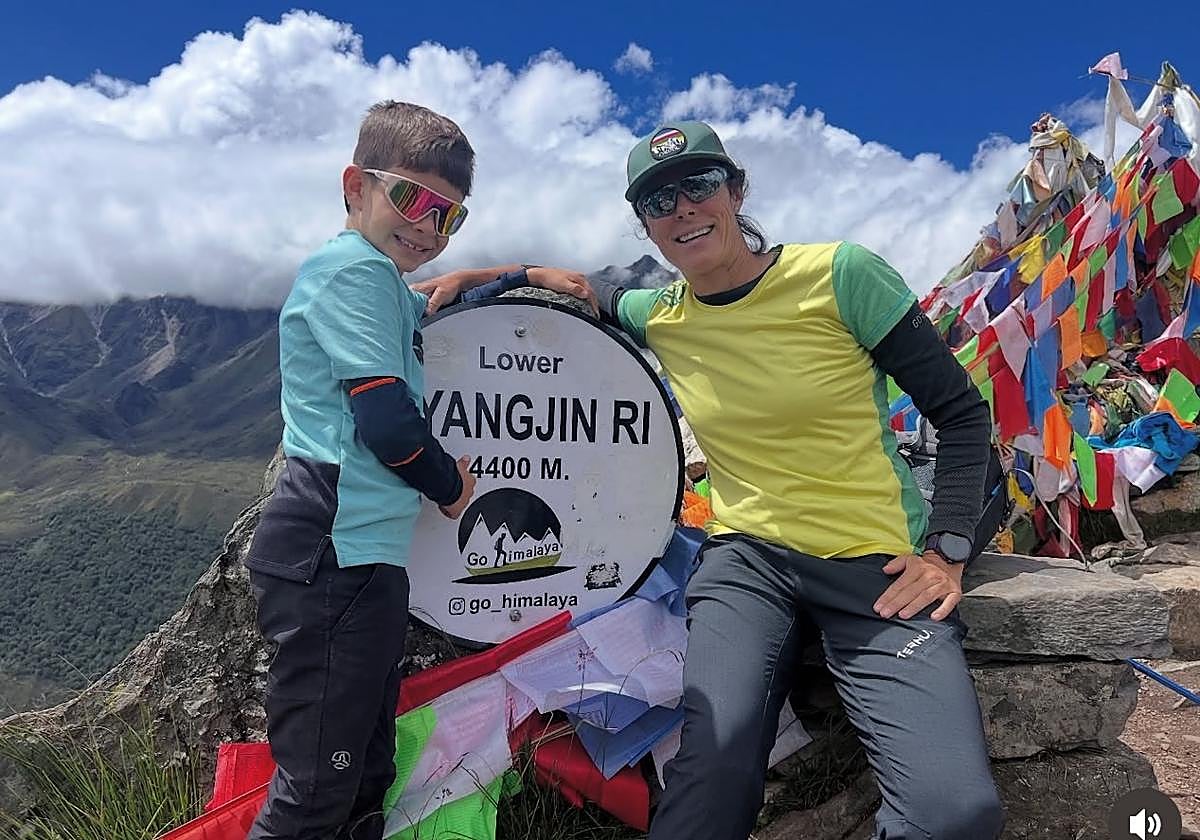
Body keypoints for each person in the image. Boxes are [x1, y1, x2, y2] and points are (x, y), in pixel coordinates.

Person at [594, 122, 1004, 839]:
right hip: (746, 562)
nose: (683, 208)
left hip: (874, 564)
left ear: (735, 191)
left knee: (954, 816)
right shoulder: (660, 314)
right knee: (710, 780)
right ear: (647, 227)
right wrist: (482, 277)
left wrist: (947, 551)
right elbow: (588, 289)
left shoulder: (841, 275)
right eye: (659, 201)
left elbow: (961, 414)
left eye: (699, 185)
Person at [244, 100, 594, 840]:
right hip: (332, 552)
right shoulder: (354, 274)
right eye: (412, 199)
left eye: (449, 216)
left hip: (359, 558)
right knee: (318, 785)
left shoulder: (374, 281)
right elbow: (388, 422)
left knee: (364, 766)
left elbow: (436, 296)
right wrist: (453, 487)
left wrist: (520, 273)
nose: (430, 228)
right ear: (355, 185)